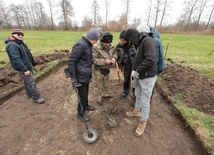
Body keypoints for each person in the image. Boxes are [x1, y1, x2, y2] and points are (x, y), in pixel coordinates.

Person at [124, 27, 157, 137]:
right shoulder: (139, 43)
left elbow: (151, 59)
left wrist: (138, 71)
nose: (130, 43)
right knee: (137, 94)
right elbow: (138, 59)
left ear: (133, 37)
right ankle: (136, 111)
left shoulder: (148, 41)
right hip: (140, 75)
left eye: (130, 40)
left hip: (148, 77)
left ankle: (143, 122)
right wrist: (134, 69)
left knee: (145, 101)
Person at [5, 29, 45, 104]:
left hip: (27, 65)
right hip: (23, 67)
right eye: (18, 34)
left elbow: (27, 53)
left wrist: (32, 63)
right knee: (31, 82)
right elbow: (16, 59)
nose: (21, 36)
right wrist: (25, 69)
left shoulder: (19, 42)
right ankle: (36, 97)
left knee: (27, 81)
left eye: (22, 34)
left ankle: (29, 93)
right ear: (13, 34)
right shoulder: (12, 45)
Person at [68, 28, 100, 122]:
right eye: (97, 39)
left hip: (85, 75)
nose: (97, 41)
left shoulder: (88, 44)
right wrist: (73, 78)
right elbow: (71, 61)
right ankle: (80, 113)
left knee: (85, 94)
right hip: (80, 76)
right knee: (82, 96)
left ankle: (85, 106)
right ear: (93, 38)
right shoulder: (81, 45)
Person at [92, 32, 118, 105]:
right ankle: (98, 98)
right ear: (102, 41)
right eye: (105, 43)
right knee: (98, 84)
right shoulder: (95, 47)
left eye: (108, 43)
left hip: (106, 69)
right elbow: (93, 60)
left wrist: (114, 58)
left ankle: (105, 94)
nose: (107, 45)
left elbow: (115, 54)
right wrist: (104, 61)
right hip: (98, 69)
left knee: (105, 83)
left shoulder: (112, 46)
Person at [116, 30, 136, 99]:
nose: (121, 42)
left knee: (134, 80)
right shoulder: (118, 46)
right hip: (125, 65)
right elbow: (117, 56)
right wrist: (119, 64)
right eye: (121, 40)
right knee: (126, 79)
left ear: (127, 40)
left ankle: (135, 94)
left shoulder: (133, 46)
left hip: (133, 65)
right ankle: (125, 92)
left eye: (123, 41)